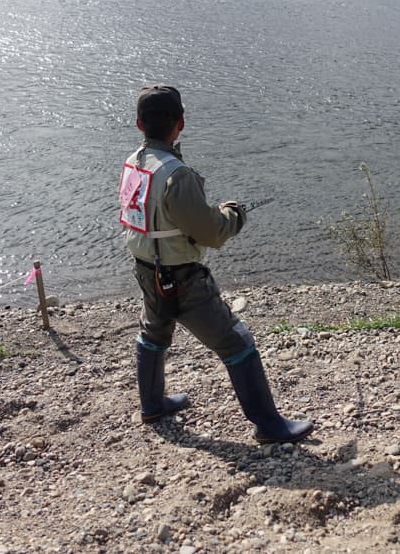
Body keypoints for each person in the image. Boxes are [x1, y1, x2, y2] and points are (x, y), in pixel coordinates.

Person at [118, 84, 314, 444]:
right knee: (236, 341)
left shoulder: (133, 162)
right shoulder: (177, 174)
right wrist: (233, 215)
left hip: (145, 269)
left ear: (138, 124)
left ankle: (152, 404)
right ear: (181, 123)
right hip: (181, 278)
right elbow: (209, 233)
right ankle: (269, 425)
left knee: (153, 332)